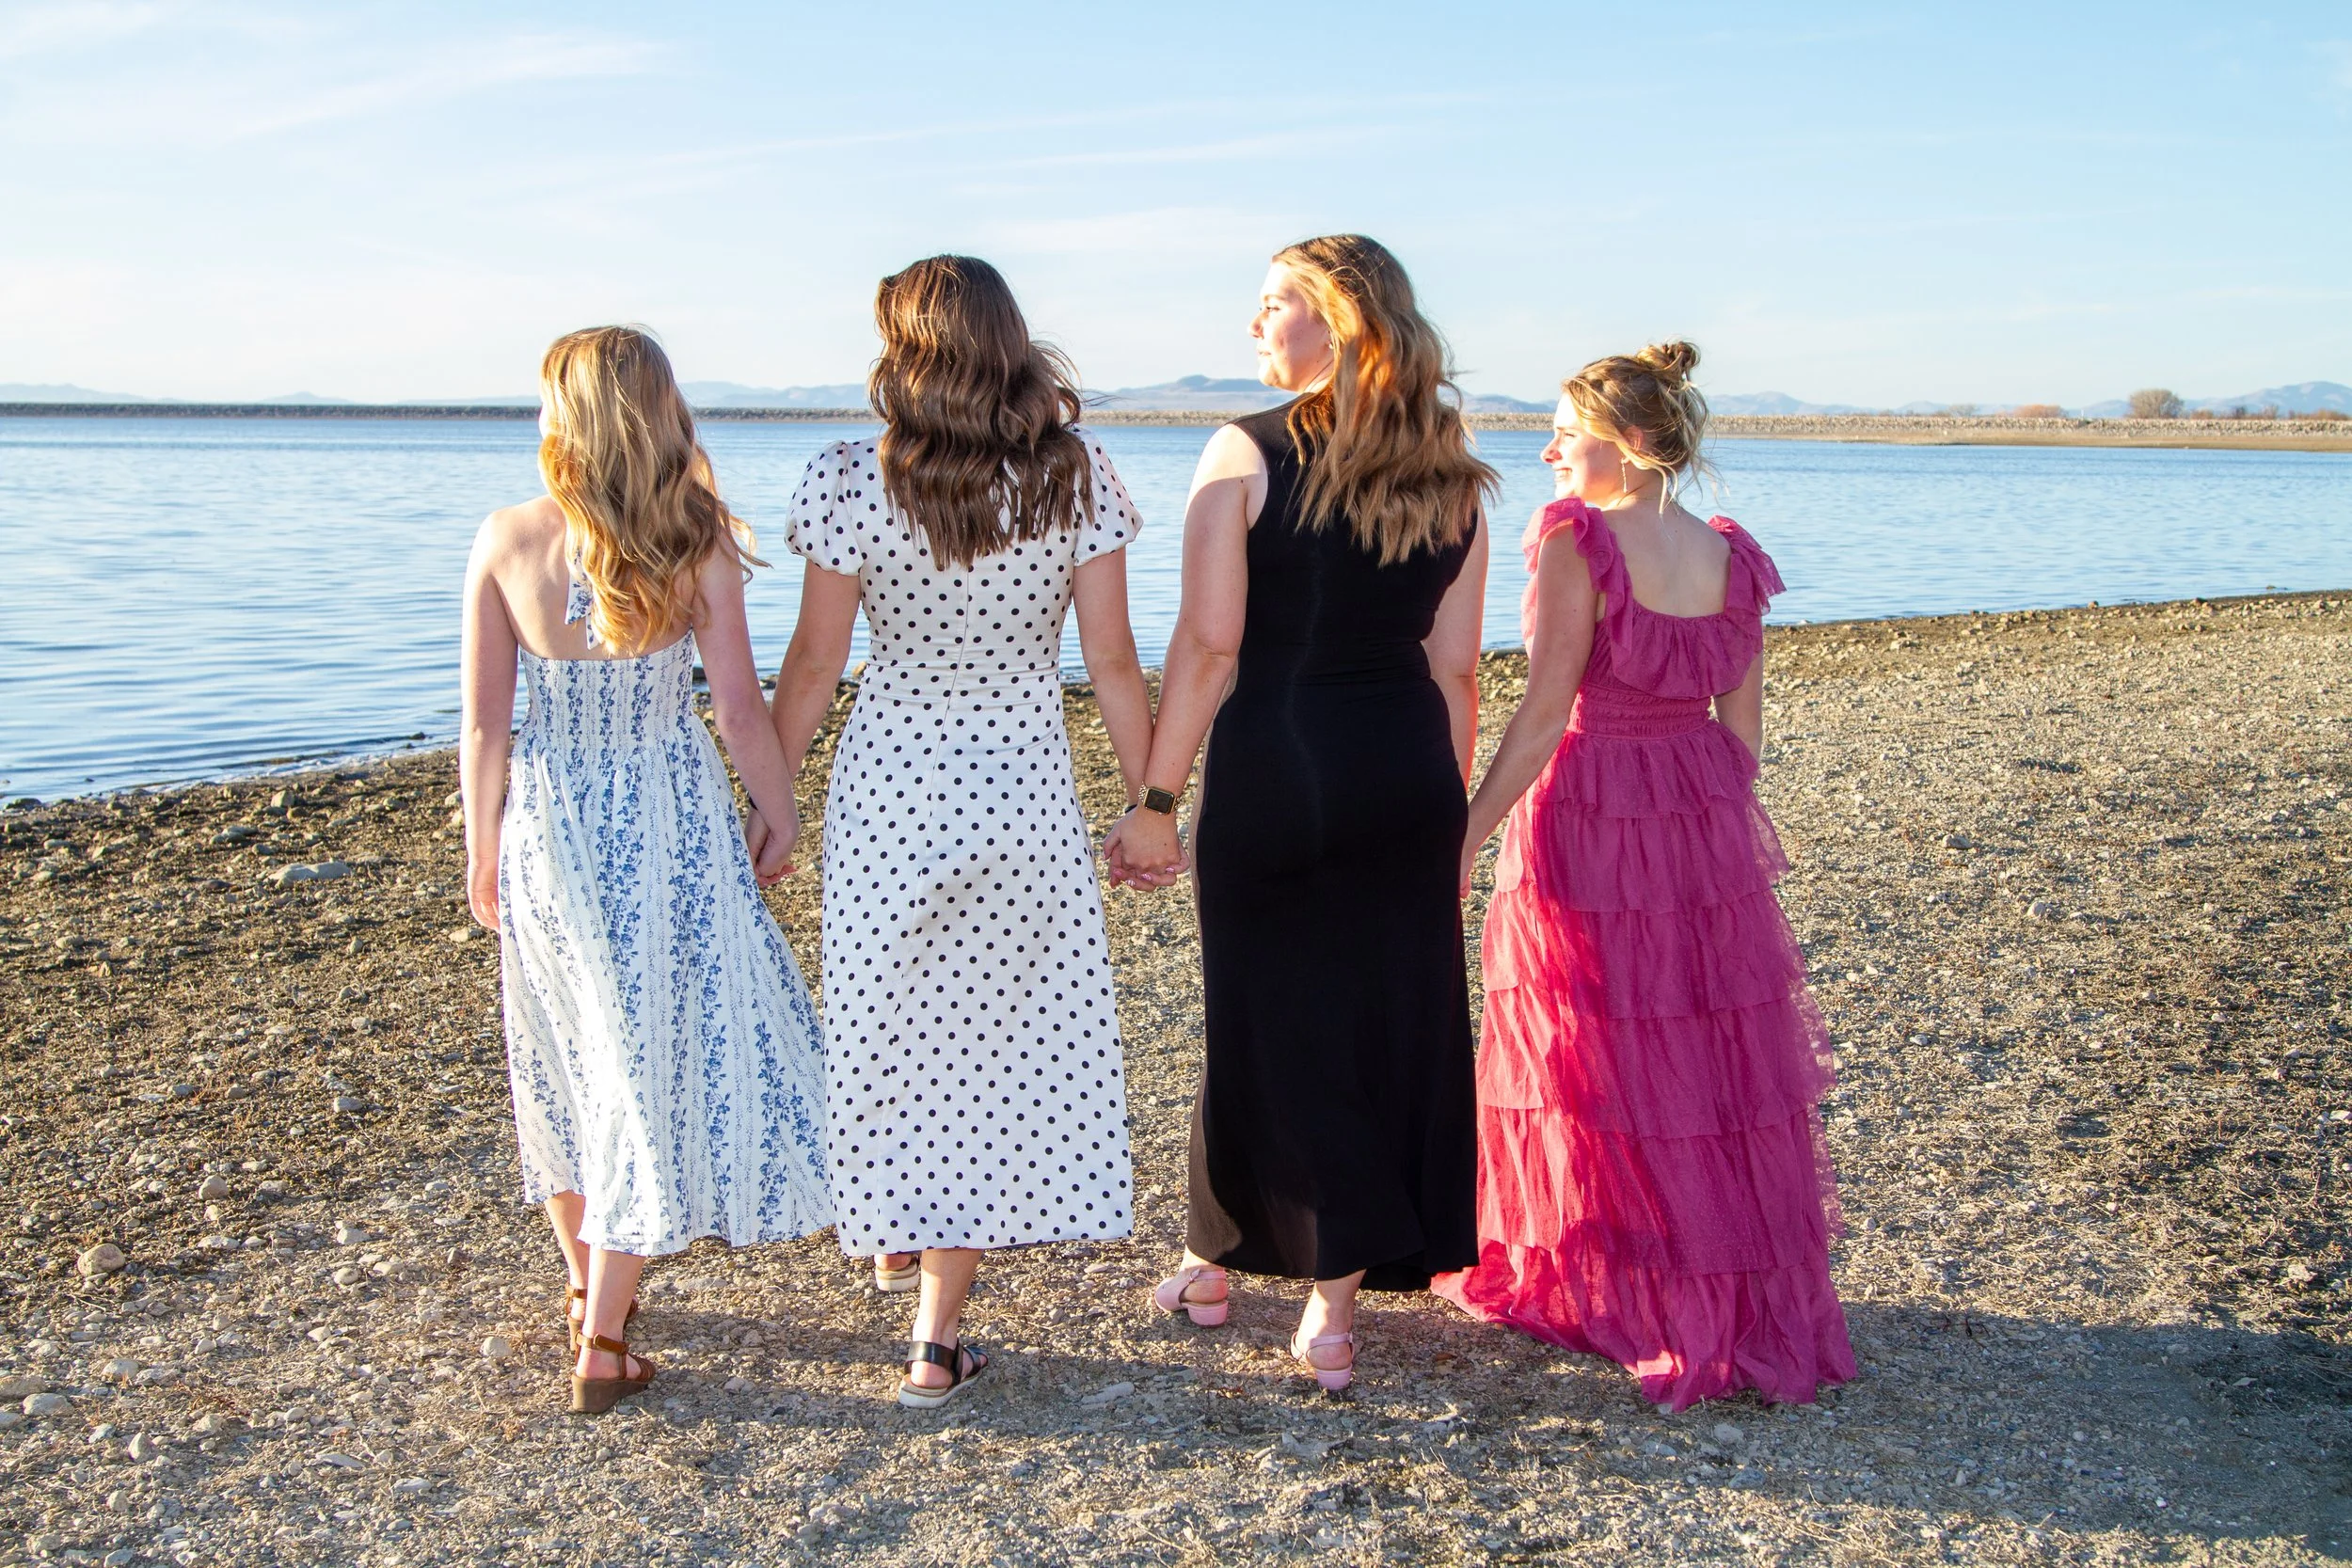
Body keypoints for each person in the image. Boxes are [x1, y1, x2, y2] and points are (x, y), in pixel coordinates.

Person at [1430, 342, 1855, 1410]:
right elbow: (1743, 734)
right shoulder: (1731, 552)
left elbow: (1539, 716)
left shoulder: (1577, 537)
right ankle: (1706, 1272)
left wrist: (1466, 835)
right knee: (1701, 1052)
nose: (1546, 450)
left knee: (1587, 1038)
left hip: (1591, 804)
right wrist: (1693, 818)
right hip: (1704, 814)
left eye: (1563, 432)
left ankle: (1618, 1274)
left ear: (1618, 445)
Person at [761, 255, 1154, 1408]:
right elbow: (1115, 663)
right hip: (1019, 781)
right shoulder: (1073, 477)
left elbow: (818, 664)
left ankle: (911, 1256)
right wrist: (1150, 802)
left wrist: (770, 797)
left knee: (889, 1018)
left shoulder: (850, 475)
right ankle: (935, 1328)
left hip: (893, 784)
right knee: (988, 1041)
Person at [1105, 234, 1493, 1392]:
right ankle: (1248, 1274)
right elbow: (1457, 665)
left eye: (1273, 303)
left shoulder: (1242, 450)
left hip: (1283, 762)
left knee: (1268, 1018)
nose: (1254, 325)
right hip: (1408, 771)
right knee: (1382, 1019)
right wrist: (1449, 820)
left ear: (1337, 321)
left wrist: (1156, 798)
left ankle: (1295, 1296)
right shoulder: (1455, 471)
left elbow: (1212, 641)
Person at [458, 325, 834, 1415]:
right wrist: (779, 810)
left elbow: (485, 726)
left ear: (564, 421)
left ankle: (590, 1289)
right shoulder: (695, 539)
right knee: (643, 1063)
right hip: (665, 821)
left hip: (550, 825)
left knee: (570, 1056)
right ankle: (605, 1329)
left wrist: (483, 845)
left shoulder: (505, 537)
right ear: (656, 414)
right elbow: (735, 710)